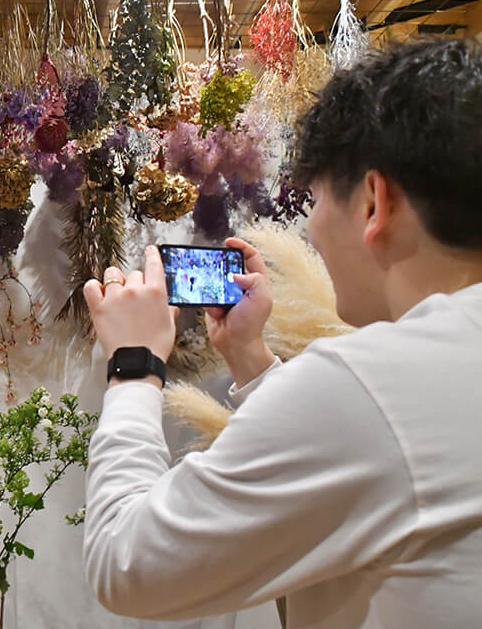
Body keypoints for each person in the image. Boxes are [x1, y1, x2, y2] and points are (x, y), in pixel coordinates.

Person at [81, 38, 482, 629]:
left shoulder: (372, 383)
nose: (312, 230)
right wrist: (249, 355)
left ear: (375, 202)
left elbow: (127, 563)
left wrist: (135, 366)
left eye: (316, 199)